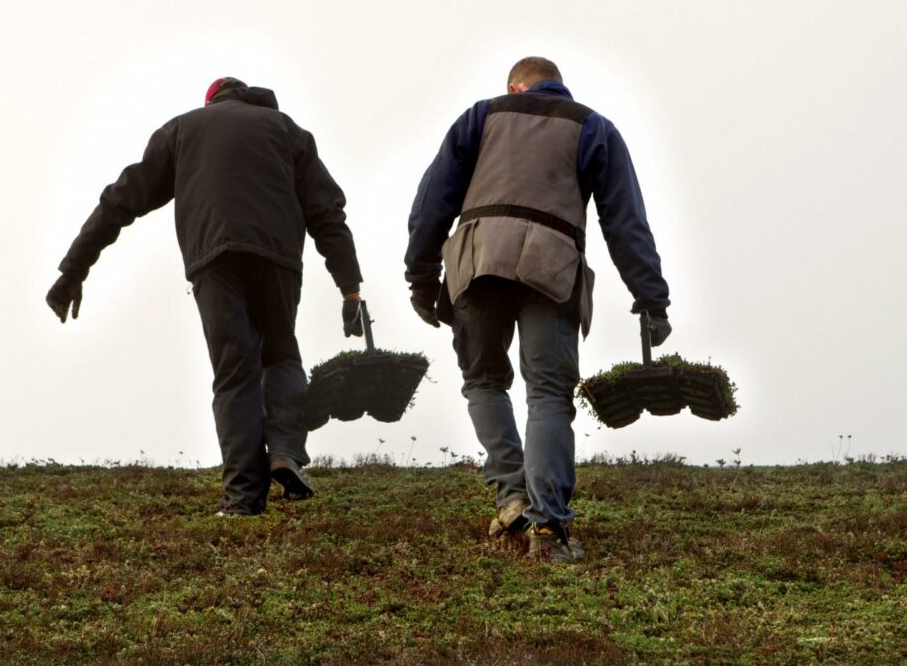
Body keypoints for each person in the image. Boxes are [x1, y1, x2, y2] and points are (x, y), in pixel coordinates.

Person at [46, 77, 364, 517]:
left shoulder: (182, 131)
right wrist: (350, 288)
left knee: (234, 374)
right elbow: (327, 213)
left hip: (214, 258)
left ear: (210, 102)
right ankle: (286, 452)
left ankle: (242, 499)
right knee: (281, 356)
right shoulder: (286, 130)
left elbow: (120, 200)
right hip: (277, 258)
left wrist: (74, 268)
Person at [404, 57, 671, 562]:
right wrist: (652, 297)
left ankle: (511, 494)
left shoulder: (481, 116)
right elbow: (625, 220)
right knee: (548, 392)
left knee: (484, 380)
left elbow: (432, 201)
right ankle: (548, 530)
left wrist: (420, 277)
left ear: (514, 86)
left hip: (478, 259)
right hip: (551, 266)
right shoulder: (592, 127)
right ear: (559, 87)